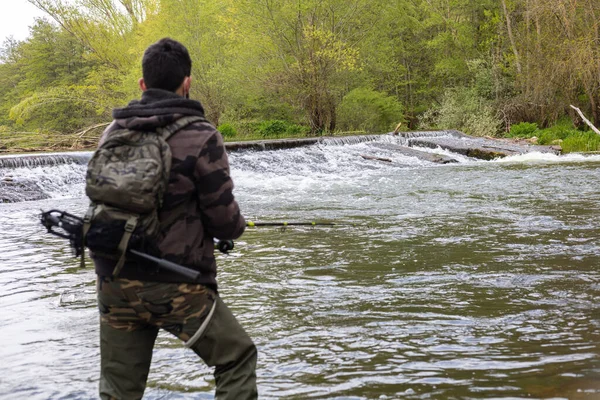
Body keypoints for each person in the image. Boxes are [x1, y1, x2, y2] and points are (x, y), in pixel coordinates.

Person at [92, 38, 257, 400]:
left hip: (114, 278)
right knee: (237, 358)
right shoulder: (201, 135)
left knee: (119, 391)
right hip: (176, 282)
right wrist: (234, 231)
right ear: (187, 82)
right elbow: (225, 221)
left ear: (142, 85)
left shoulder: (112, 132)